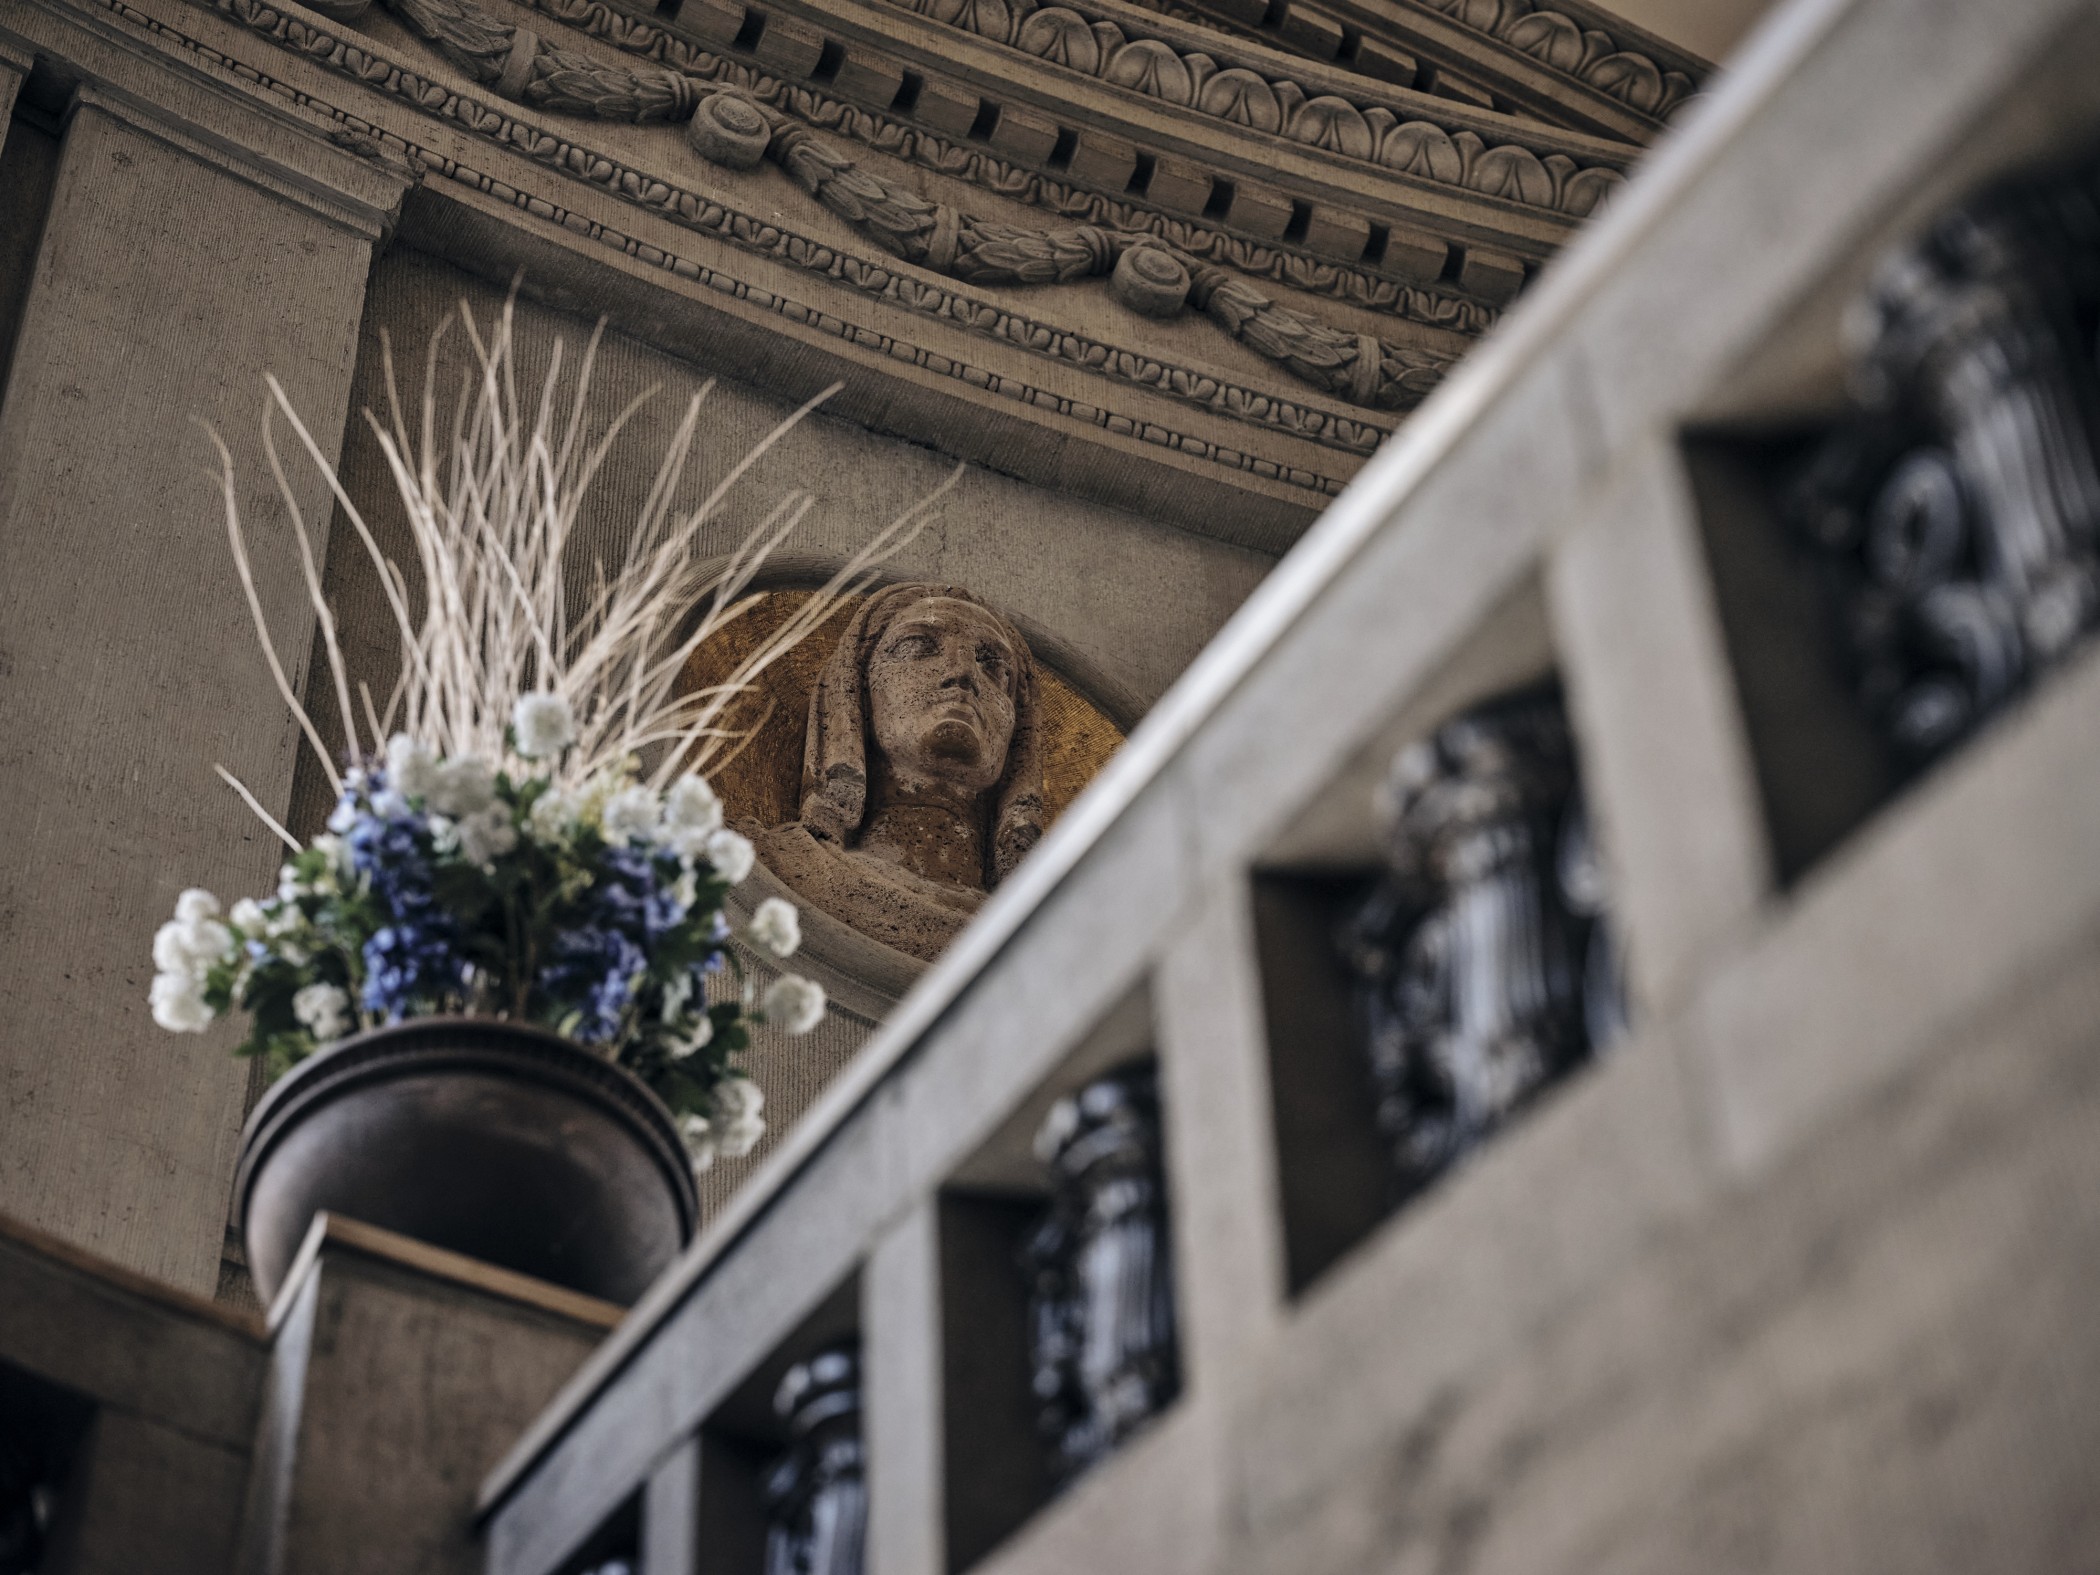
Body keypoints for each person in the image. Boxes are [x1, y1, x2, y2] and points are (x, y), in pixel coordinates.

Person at [752, 583, 1043, 963]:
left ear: (1020, 733)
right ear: (855, 691)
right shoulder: (766, 863)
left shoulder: (1044, 945)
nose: (962, 673)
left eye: (995, 668)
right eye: (916, 646)